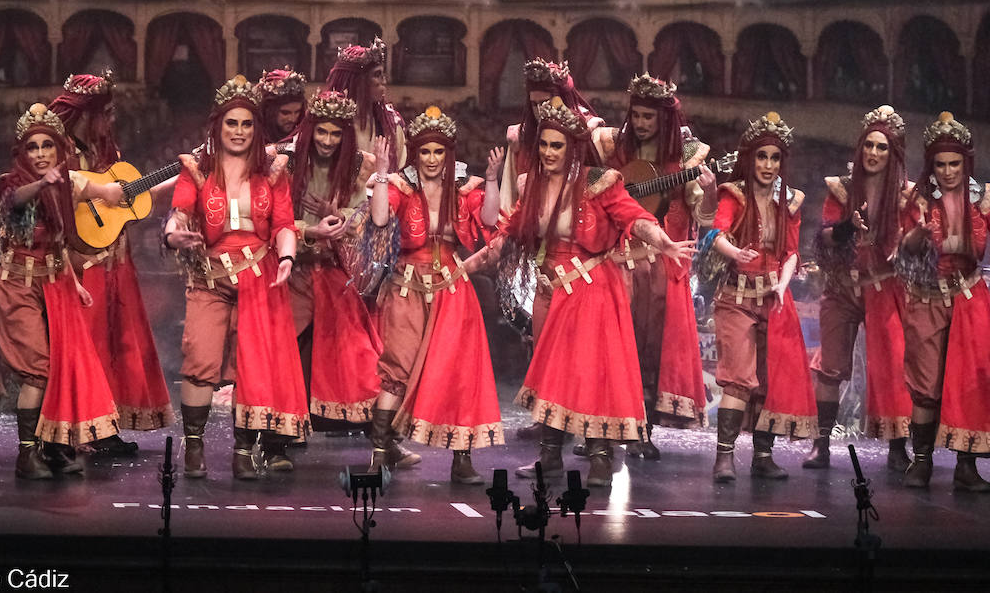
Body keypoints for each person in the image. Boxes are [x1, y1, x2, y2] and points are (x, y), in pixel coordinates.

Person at [471, 97, 693, 486]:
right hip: (551, 293)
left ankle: (601, 459)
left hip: (593, 290)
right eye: (543, 144)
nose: (548, 152)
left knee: (592, 374)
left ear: (573, 148)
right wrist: (465, 268)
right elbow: (507, 234)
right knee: (551, 375)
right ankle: (550, 458)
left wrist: (664, 242)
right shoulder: (534, 186)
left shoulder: (599, 182)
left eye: (556, 145)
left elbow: (635, 218)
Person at [165, 75, 308, 480]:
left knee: (253, 365)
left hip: (260, 276)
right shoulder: (196, 169)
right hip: (210, 277)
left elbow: (283, 224)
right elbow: (179, 213)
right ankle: (194, 446)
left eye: (247, 124)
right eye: (232, 123)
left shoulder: (273, 171)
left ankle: (244, 451)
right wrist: (174, 235)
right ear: (218, 125)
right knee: (200, 360)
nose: (239, 131)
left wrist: (287, 256)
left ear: (256, 128)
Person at [368, 106, 502, 485]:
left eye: (438, 151)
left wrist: (493, 179)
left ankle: (462, 461)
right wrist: (382, 173)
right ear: (415, 152)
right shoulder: (400, 186)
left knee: (460, 373)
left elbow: (490, 220)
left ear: (448, 153)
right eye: (425, 151)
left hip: (453, 291)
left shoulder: (463, 188)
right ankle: (380, 454)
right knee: (396, 370)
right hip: (406, 289)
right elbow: (380, 219)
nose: (431, 159)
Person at [0, 103, 129, 479]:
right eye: (32, 147)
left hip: (56, 283)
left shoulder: (68, 184)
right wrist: (43, 184)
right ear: (22, 152)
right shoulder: (11, 183)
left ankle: (53, 445)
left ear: (59, 148)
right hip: (19, 286)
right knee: (38, 370)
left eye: (47, 146)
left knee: (64, 368)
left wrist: (74, 283)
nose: (40, 154)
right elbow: (14, 200)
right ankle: (26, 456)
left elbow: (61, 239)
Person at [896, 112, 990, 492]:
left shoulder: (983, 198)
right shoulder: (918, 199)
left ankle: (965, 467)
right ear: (931, 165)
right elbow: (903, 248)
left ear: (965, 163)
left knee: (968, 383)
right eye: (940, 164)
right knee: (926, 385)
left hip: (969, 298)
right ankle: (921, 461)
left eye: (954, 164)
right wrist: (917, 236)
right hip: (927, 297)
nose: (948, 171)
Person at [591, 73, 716, 459]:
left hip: (659, 265)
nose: (642, 123)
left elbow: (705, 217)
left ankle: (641, 431)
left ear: (664, 118)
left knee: (649, 349)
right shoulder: (613, 148)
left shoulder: (687, 157)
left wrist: (710, 191)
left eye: (649, 116)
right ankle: (600, 432)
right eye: (637, 115)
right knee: (609, 348)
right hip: (616, 261)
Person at [49, 72, 173, 454]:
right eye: (106, 113)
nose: (111, 120)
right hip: (78, 261)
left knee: (114, 344)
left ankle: (104, 427)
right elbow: (55, 191)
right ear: (85, 114)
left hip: (114, 260)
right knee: (86, 345)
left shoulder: (107, 153)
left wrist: (179, 174)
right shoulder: (55, 151)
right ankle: (75, 428)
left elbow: (125, 203)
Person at [705, 112, 817, 482]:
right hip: (736, 297)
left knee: (771, 379)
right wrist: (736, 252)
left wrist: (783, 284)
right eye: (762, 157)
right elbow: (716, 234)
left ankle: (763, 456)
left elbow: (792, 252)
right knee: (739, 377)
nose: (768, 165)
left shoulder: (791, 201)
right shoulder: (734, 194)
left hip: (774, 298)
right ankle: (724, 457)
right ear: (750, 159)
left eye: (775, 158)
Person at [806, 105, 913, 472]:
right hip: (842, 287)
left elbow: (918, 240)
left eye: (882, 147)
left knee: (893, 366)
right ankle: (821, 445)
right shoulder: (842, 189)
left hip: (883, 288)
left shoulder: (905, 196)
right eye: (869, 145)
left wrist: (909, 241)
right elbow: (824, 236)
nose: (874, 153)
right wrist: (849, 227)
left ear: (893, 153)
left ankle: (897, 448)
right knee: (830, 367)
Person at [284, 89, 381, 428]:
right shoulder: (286, 161)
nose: (327, 141)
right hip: (292, 267)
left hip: (331, 266)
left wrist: (338, 215)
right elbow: (275, 218)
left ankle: (357, 422)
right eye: (322, 132)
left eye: (335, 133)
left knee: (351, 342)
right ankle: (287, 422)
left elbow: (362, 216)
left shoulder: (358, 165)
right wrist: (308, 230)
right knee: (288, 342)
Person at [498, 58, 601, 214]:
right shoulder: (520, 137)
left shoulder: (593, 133)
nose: (540, 110)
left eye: (545, 102)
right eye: (534, 104)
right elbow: (508, 198)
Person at [323, 37, 406, 172]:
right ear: (357, 81)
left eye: (383, 74)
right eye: (377, 75)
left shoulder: (391, 124)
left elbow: (401, 172)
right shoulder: (325, 121)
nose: (384, 81)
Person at [258, 68, 307, 144]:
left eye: (297, 112)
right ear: (269, 110)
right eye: (285, 113)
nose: (293, 119)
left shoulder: (303, 139)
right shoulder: (253, 138)